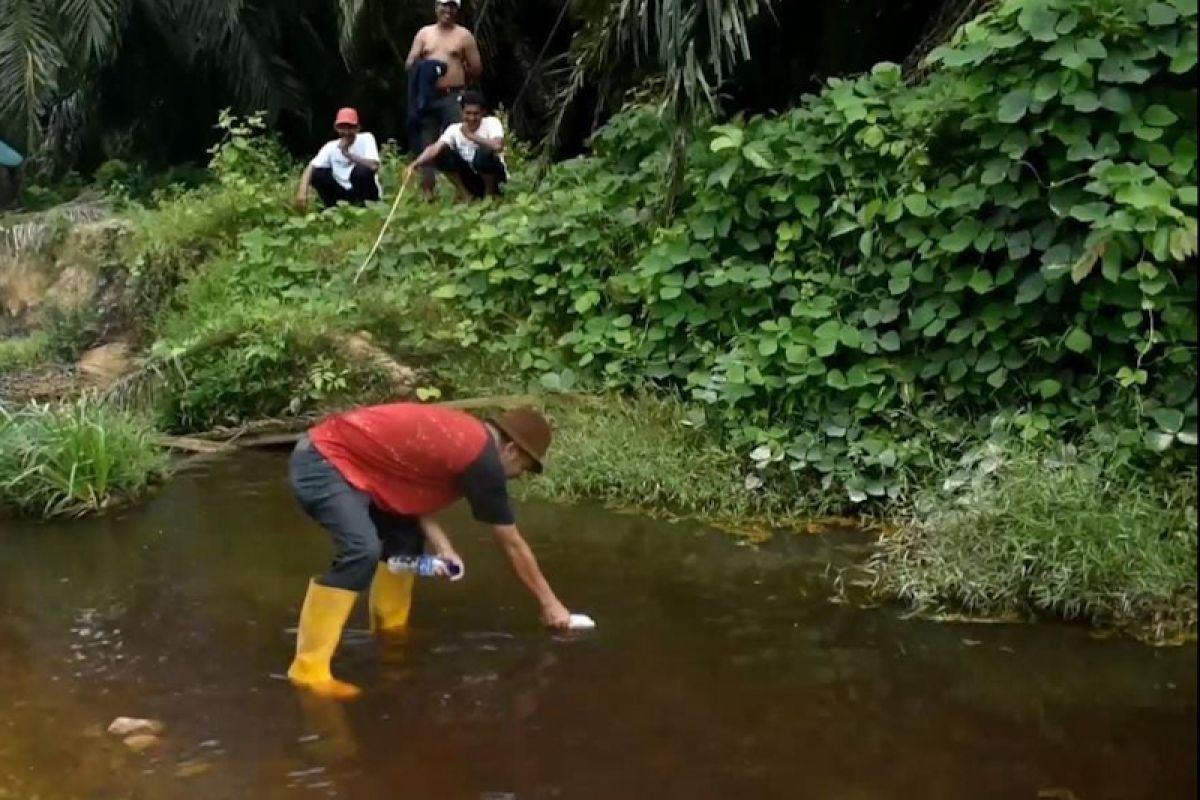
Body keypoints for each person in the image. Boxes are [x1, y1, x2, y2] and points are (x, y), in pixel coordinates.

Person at [286, 403, 574, 700]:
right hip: (323, 462)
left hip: (357, 467)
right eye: (523, 468)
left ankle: (389, 636)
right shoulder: (482, 460)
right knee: (362, 550)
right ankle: (308, 671)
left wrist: (444, 548)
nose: (518, 476)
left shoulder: (463, 441)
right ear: (511, 450)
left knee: (406, 543)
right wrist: (550, 603)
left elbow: (410, 498)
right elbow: (511, 542)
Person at [405, 0, 483, 201]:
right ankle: (428, 191)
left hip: (452, 95)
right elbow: (410, 62)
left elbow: (476, 67)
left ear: (457, 10)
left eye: (452, 7)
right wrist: (427, 67)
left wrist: (457, 72)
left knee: (457, 140)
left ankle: (466, 188)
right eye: (443, 5)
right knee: (427, 143)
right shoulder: (424, 33)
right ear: (436, 7)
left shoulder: (464, 35)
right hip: (427, 97)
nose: (447, 10)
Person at [405, 90, 507, 201]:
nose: (472, 118)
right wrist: (414, 164)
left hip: (495, 177)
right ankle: (465, 195)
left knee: (483, 154)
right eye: (468, 113)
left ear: (483, 113)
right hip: (470, 176)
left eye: (476, 114)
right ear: (462, 112)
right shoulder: (454, 129)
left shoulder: (491, 122)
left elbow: (498, 146)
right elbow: (434, 148)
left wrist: (471, 136)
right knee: (441, 154)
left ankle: (490, 195)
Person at [296, 107, 381, 209]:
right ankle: (332, 208)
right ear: (336, 128)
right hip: (342, 192)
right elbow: (312, 167)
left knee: (361, 171)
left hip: (364, 191)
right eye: (342, 128)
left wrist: (347, 154)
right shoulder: (331, 146)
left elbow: (374, 166)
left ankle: (367, 207)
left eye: (350, 127)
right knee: (318, 174)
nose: (346, 132)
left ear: (358, 128)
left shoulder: (366, 138)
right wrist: (302, 191)